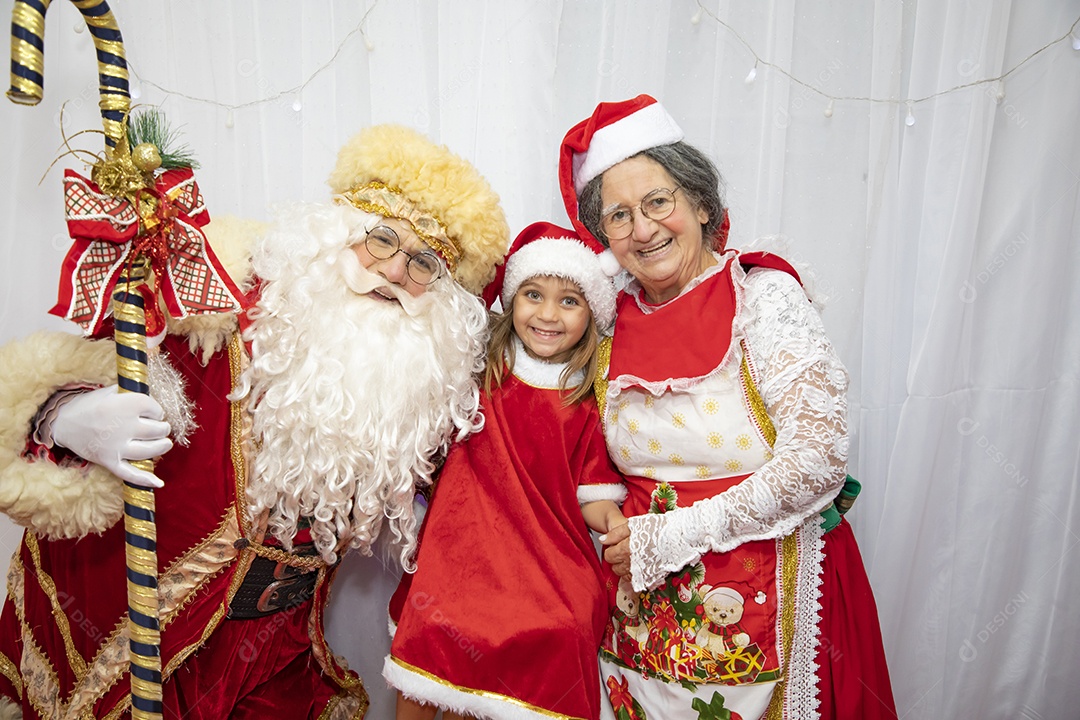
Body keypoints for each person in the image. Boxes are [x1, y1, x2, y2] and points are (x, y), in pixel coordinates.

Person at [0, 124, 507, 719]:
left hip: (272, 657)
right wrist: (66, 416)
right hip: (128, 639)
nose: (395, 272)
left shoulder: (423, 390)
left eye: (423, 263)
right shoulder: (221, 306)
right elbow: (92, 364)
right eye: (382, 240)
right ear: (336, 234)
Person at [558, 95, 897, 720]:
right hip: (642, 619)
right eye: (619, 216)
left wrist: (673, 533)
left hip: (771, 592)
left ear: (702, 204)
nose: (644, 229)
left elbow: (817, 462)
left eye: (659, 202)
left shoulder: (765, 298)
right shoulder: (603, 319)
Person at [384, 222, 629, 720]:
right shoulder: (479, 368)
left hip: (547, 559)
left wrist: (621, 526)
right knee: (434, 644)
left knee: (561, 631)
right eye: (533, 295)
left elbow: (594, 495)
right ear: (511, 299)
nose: (546, 314)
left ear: (593, 314)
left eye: (569, 302)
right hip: (459, 553)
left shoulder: (586, 400)